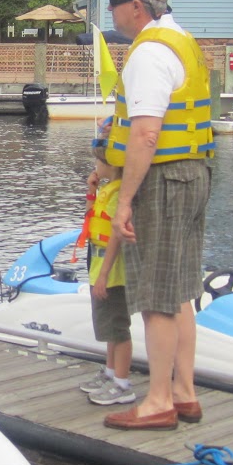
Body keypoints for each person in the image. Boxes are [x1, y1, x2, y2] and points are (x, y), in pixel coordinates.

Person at [94, 0, 213, 430]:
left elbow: (145, 134)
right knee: (182, 289)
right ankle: (184, 391)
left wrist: (124, 201)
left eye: (114, 2)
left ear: (137, 6)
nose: (110, 11)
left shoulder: (147, 54)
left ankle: (158, 402)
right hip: (194, 173)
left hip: (163, 179)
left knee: (158, 297)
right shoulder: (180, 40)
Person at [76, 128, 135, 406]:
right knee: (108, 325)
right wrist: (91, 189)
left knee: (117, 326)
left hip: (112, 270)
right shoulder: (105, 190)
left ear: (112, 165)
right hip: (97, 261)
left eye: (98, 162)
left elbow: (115, 236)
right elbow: (90, 218)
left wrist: (103, 275)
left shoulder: (119, 195)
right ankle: (110, 372)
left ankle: (123, 384)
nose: (96, 168)